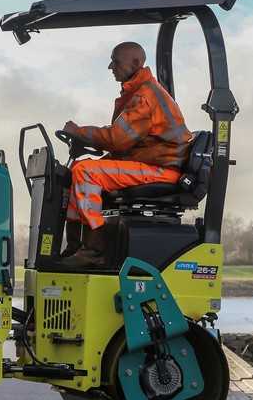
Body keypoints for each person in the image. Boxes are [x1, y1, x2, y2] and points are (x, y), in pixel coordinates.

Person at [60, 41, 193, 267]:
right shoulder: (139, 92)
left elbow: (117, 139)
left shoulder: (145, 97)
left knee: (86, 172)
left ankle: (94, 249)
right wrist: (85, 140)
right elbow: (123, 139)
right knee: (76, 171)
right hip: (147, 160)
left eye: (115, 61)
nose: (111, 67)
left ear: (136, 63)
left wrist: (79, 132)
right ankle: (75, 245)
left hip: (162, 169)